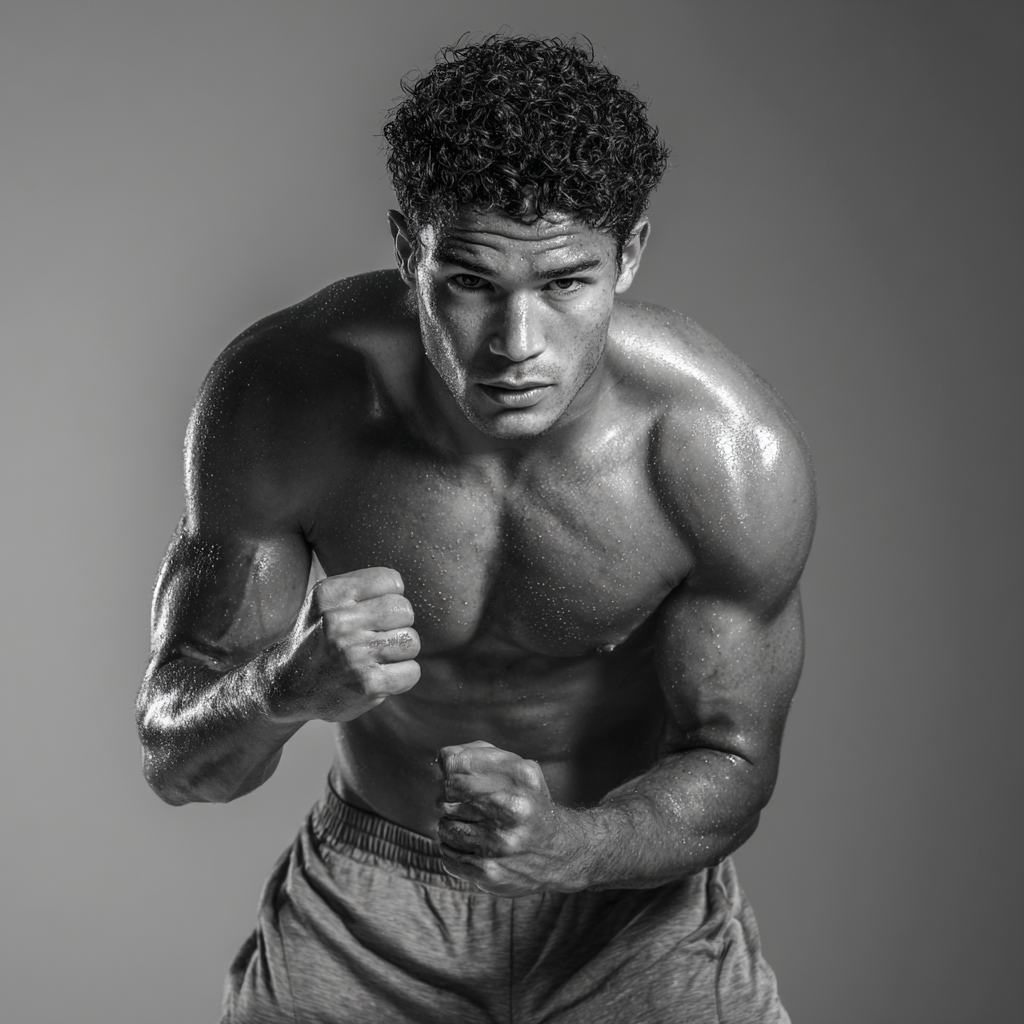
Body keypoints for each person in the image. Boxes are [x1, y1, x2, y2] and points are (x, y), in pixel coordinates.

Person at [137, 34, 815, 1024]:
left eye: (564, 283)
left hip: (631, 912)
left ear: (628, 256)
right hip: (373, 904)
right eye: (469, 283)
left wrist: (567, 846)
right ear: (409, 250)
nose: (515, 344)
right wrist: (282, 688)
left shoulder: (717, 454)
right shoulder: (286, 403)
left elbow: (733, 764)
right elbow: (176, 760)